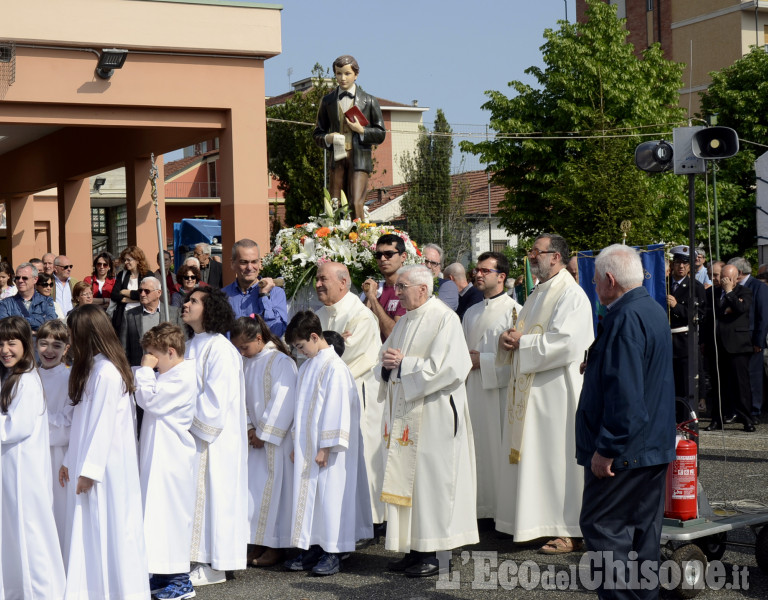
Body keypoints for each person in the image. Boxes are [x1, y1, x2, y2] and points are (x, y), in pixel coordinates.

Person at [577, 244, 676, 599]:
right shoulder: (650, 309)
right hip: (650, 447)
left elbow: (627, 395)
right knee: (641, 536)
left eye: (594, 280)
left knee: (606, 530)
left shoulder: (624, 317)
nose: (594, 287)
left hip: (625, 452)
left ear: (609, 279)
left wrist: (607, 448)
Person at [376, 265, 478, 577]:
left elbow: (450, 368)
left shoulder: (444, 318)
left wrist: (404, 364)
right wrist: (387, 366)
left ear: (423, 289)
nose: (398, 292)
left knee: (433, 484)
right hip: (407, 415)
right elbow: (384, 358)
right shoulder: (404, 321)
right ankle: (414, 548)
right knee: (411, 482)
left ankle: (439, 554)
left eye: (403, 286)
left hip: (435, 415)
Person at [496, 233, 594, 553]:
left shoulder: (571, 295)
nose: (531, 256)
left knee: (560, 462)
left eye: (536, 251)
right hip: (534, 394)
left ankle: (570, 530)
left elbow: (567, 343)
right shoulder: (538, 292)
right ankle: (539, 523)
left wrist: (520, 343)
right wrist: (513, 339)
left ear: (555, 256)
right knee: (540, 461)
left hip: (558, 396)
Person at [59, 305, 150, 600]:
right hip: (88, 462)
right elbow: (80, 423)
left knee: (110, 528)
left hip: (106, 468)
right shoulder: (93, 368)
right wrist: (68, 460)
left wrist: (89, 470)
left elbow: (102, 425)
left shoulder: (107, 372)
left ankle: (118, 591)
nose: (70, 339)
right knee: (92, 528)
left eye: (73, 332)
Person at [283, 311, 371, 576]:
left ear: (314, 336)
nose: (300, 352)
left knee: (330, 497)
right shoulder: (310, 364)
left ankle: (333, 550)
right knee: (312, 498)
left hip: (328, 450)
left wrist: (326, 446)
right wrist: (296, 442)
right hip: (308, 446)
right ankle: (313, 545)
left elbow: (338, 407)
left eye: (300, 346)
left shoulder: (334, 367)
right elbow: (301, 406)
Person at [182, 286, 248, 586]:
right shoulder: (192, 343)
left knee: (215, 498)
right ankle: (196, 557)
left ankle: (215, 564)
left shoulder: (220, 348)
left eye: (194, 301)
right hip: (194, 437)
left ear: (210, 310)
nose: (186, 304)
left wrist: (181, 416)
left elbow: (215, 402)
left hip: (214, 440)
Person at [315, 261, 386, 535]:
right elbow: (307, 351)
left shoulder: (361, 316)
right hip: (328, 395)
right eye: (318, 279)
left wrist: (326, 348)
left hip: (357, 394)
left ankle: (369, 521)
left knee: (362, 457)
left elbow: (346, 356)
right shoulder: (320, 314)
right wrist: (329, 346)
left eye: (324, 279)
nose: (319, 284)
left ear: (343, 283)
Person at [0, 316, 66, 599]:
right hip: (13, 470)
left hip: (23, 473)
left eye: (12, 343)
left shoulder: (26, 380)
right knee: (17, 535)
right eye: (1, 343)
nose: (5, 349)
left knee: (30, 536)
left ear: (25, 345)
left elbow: (16, 427)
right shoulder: (13, 376)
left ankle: (40, 593)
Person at [135, 322, 197, 600]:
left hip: (172, 458)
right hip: (158, 455)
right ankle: (161, 572)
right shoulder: (170, 373)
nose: (151, 361)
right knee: (156, 515)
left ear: (170, 352)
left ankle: (181, 580)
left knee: (170, 516)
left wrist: (145, 370)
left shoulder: (183, 376)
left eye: (154, 355)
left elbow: (151, 401)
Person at [231, 316, 296, 568]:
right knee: (254, 494)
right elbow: (242, 397)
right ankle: (257, 540)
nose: (241, 352)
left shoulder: (280, 361)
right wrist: (248, 426)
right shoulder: (247, 362)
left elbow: (285, 398)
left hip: (276, 442)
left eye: (244, 347)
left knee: (276, 493)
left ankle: (276, 544)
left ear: (259, 339)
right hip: (254, 439)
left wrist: (264, 432)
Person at [462, 251, 521, 521]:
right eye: (477, 269)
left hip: (498, 393)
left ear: (501, 276)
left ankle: (499, 510)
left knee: (495, 449)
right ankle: (475, 507)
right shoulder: (470, 312)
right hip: (471, 390)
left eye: (486, 270)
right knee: (473, 450)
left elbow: (517, 360)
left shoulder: (516, 312)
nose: (478, 274)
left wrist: (482, 361)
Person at [313, 54, 386, 220]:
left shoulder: (369, 101)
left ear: (356, 74)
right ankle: (333, 241)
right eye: (338, 73)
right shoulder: (327, 101)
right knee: (334, 204)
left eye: (347, 73)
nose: (342, 78)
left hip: (359, 158)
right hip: (337, 159)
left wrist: (362, 130)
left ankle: (359, 239)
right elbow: (317, 133)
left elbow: (381, 134)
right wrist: (327, 138)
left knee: (356, 203)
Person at [704, 265, 756, 432]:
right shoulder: (711, 292)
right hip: (717, 345)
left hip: (737, 346)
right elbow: (714, 313)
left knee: (741, 385)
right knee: (718, 385)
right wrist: (727, 309)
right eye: (722, 278)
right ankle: (717, 419)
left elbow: (741, 309)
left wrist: (729, 292)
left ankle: (747, 419)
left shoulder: (744, 292)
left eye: (727, 279)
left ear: (736, 278)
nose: (722, 281)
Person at [37, 319, 73, 553]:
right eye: (43, 343)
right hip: (34, 452)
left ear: (66, 349)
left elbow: (68, 421)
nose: (49, 351)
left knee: (58, 509)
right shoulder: (29, 375)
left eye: (56, 346)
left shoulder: (69, 379)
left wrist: (38, 417)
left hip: (57, 453)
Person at [729, 256, 768, 421]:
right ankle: (741, 409)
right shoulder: (734, 287)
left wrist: (759, 341)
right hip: (736, 340)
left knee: (754, 376)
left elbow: (763, 316)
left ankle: (755, 410)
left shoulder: (758, 287)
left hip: (752, 339)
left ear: (738, 272)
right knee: (740, 377)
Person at [223, 239, 288, 337]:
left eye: (254, 262)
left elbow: (276, 333)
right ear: (232, 263)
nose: (249, 267)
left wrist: (264, 296)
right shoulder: (223, 295)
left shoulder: (275, 293)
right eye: (244, 262)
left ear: (260, 263)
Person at [667, 246, 706, 401]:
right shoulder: (663, 284)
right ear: (672, 264)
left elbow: (700, 315)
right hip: (666, 340)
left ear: (690, 265)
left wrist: (677, 307)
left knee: (685, 382)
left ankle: (685, 421)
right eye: (677, 262)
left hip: (684, 341)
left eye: (685, 263)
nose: (681, 266)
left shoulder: (695, 287)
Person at [120, 276, 183, 367]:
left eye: (147, 291)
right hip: (140, 368)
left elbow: (182, 343)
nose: (142, 294)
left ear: (159, 293)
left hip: (168, 369)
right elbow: (124, 348)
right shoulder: (129, 315)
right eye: (140, 291)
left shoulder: (173, 313)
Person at [361, 233, 408, 341]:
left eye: (388, 254)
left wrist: (373, 299)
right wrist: (368, 297)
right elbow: (360, 326)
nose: (382, 259)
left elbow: (393, 335)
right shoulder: (374, 289)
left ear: (403, 256)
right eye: (378, 255)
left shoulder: (409, 290)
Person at [110, 245, 156, 334]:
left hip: (142, 316)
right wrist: (134, 299)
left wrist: (125, 292)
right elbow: (114, 294)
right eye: (124, 260)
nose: (126, 262)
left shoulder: (148, 275)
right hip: (123, 317)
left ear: (137, 260)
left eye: (128, 260)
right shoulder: (122, 275)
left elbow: (148, 295)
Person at [0, 263, 57, 332]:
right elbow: (4, 328)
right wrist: (39, 323)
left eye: (25, 278)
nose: (20, 280)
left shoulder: (47, 301)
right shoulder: (5, 303)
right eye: (17, 278)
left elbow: (51, 325)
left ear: (35, 279)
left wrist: (17, 322)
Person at [422, 243, 459, 310]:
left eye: (433, 263)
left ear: (440, 267)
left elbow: (437, 313)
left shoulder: (447, 286)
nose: (428, 266)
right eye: (425, 261)